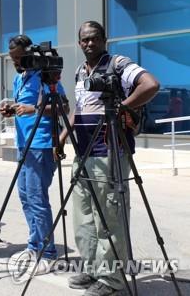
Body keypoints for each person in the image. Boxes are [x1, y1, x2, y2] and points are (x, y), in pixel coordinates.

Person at [60, 21, 159, 296]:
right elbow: (79, 109)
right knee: (84, 216)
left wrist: (120, 108)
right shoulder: (81, 71)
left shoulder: (118, 63)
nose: (89, 44)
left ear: (104, 39)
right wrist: (62, 137)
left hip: (109, 151)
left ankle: (113, 279)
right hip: (83, 151)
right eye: (84, 40)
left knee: (109, 216)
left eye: (94, 39)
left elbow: (151, 85)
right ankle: (93, 269)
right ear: (79, 43)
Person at [0, 35, 68, 273]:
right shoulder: (21, 78)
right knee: (26, 197)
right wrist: (12, 110)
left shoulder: (44, 76)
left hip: (41, 145)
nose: (16, 62)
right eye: (13, 59)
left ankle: (48, 253)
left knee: (38, 200)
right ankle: (34, 245)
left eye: (20, 58)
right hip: (23, 145)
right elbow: (23, 109)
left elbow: (65, 107)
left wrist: (33, 108)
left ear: (29, 54)